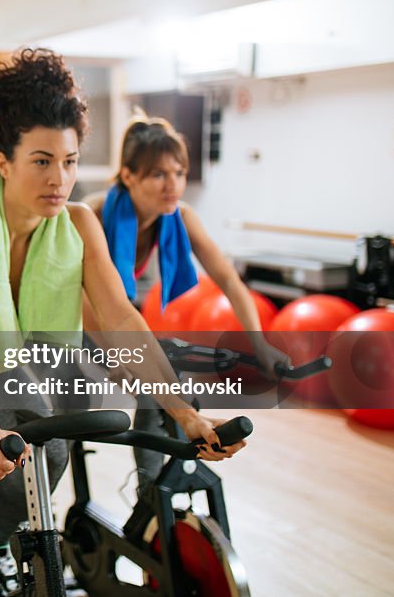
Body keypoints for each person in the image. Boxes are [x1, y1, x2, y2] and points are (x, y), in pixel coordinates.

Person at [0, 48, 243, 594]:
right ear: (2, 163)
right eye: (41, 160)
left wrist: (183, 413)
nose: (59, 178)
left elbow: (121, 319)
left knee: (49, 448)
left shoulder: (79, 224)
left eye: (69, 161)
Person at [82, 112, 289, 495]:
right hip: (72, 320)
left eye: (178, 173)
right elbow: (79, 298)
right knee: (152, 378)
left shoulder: (178, 215)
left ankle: (154, 494)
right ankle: (150, 493)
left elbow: (228, 279)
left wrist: (259, 344)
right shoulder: (91, 213)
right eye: (159, 174)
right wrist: (114, 357)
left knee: (165, 377)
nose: (172, 185)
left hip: (119, 316)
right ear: (128, 176)